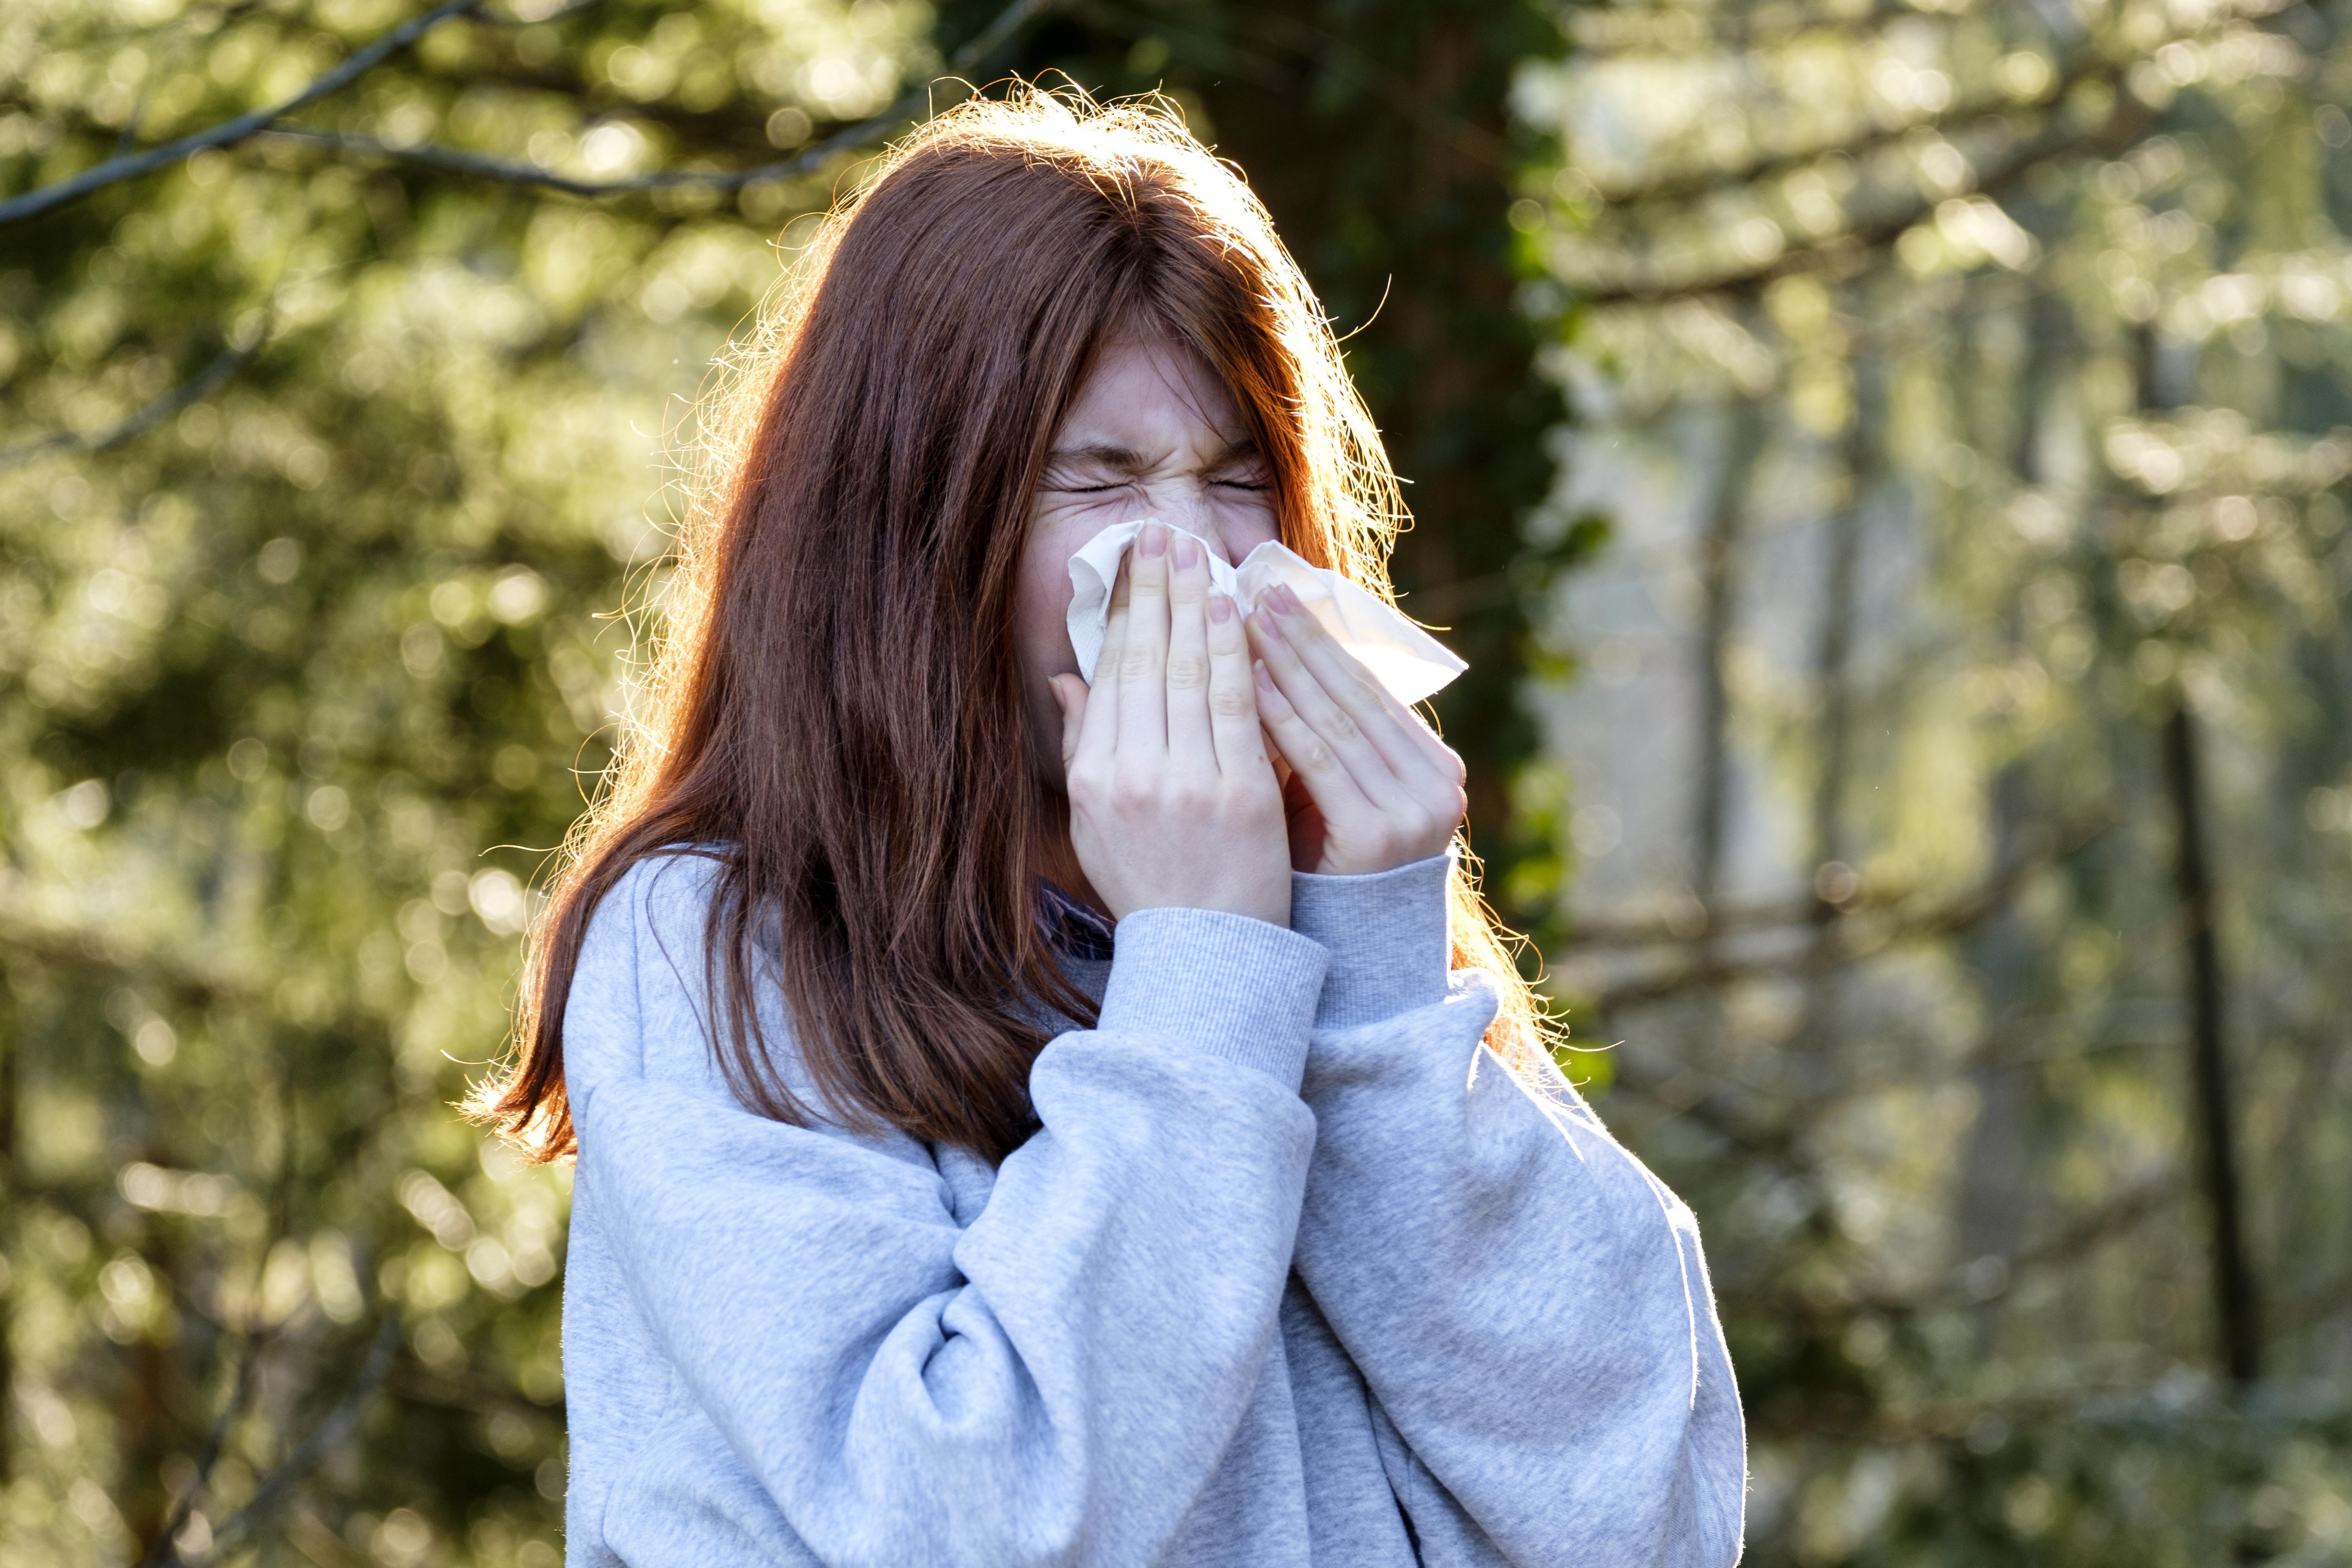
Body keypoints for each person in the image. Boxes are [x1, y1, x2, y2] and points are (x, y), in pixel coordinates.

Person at [474, 87, 1746, 1568]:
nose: (1200, 561)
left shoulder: (1323, 927)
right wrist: (1200, 968)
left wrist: (1379, 981)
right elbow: (981, 1522)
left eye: (1235, 477)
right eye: (1101, 478)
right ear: (914, 527)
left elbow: (1648, 1513)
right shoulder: (716, 948)